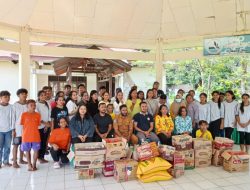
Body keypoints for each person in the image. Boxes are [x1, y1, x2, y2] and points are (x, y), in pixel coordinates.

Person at [20, 99, 41, 171]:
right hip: (26, 136)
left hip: (36, 136)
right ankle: (29, 164)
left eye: (34, 105)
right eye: (31, 105)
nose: (33, 107)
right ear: (27, 106)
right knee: (27, 151)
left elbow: (38, 124)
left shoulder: (38, 115)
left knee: (36, 151)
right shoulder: (24, 114)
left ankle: (34, 164)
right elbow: (23, 125)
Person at [12, 88, 28, 168]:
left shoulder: (28, 104)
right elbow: (13, 118)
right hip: (17, 128)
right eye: (22, 94)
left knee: (23, 145)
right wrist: (13, 130)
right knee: (16, 145)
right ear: (18, 95)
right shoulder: (15, 105)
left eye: (25, 94)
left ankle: (21, 159)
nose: (24, 95)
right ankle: (14, 162)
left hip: (26, 129)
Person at [36, 90, 51, 164]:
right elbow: (37, 116)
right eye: (41, 95)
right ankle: (39, 157)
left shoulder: (47, 103)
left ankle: (42, 157)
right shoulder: (37, 105)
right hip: (40, 127)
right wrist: (45, 124)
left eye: (44, 95)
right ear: (38, 96)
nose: (43, 96)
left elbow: (49, 114)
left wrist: (48, 123)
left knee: (45, 142)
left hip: (47, 126)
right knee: (40, 142)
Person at [0, 91, 13, 168]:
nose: (7, 98)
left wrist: (13, 129)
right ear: (1, 98)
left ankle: (6, 161)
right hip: (0, 131)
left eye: (8, 97)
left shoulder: (11, 107)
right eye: (5, 97)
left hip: (9, 130)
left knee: (7, 147)